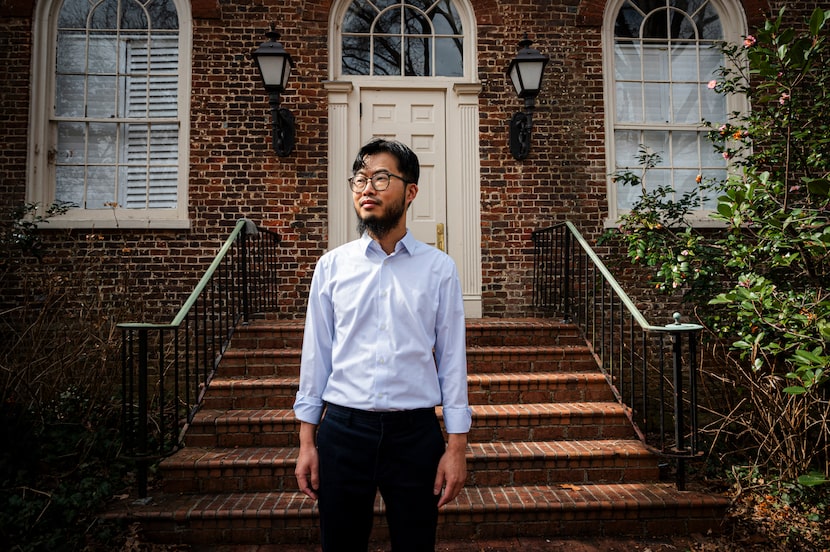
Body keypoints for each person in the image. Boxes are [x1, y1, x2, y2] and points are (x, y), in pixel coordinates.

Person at [293, 138, 472, 552]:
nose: (366, 188)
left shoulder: (439, 269)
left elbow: (452, 361)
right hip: (342, 432)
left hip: (415, 436)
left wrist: (457, 446)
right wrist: (307, 441)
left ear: (410, 191)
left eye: (380, 178)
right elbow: (316, 357)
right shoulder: (332, 267)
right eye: (359, 179)